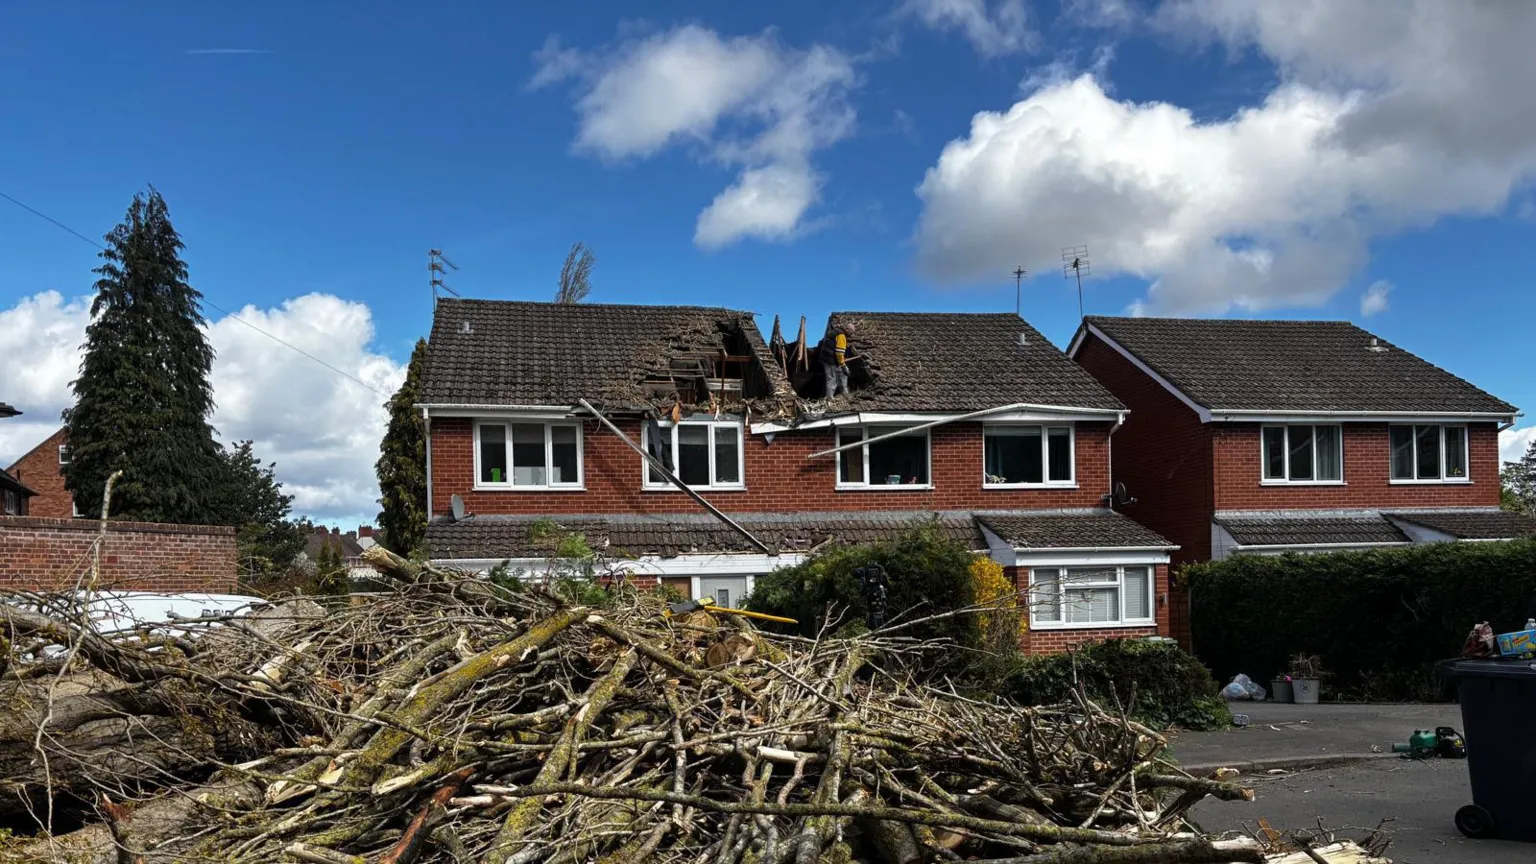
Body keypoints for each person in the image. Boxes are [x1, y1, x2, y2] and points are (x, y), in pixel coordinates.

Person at [820, 321, 855, 398]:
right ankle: (830, 398)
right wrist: (843, 365)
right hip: (830, 360)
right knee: (832, 379)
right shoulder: (841, 335)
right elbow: (839, 353)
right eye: (851, 333)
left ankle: (845, 393)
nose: (851, 335)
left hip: (828, 358)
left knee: (841, 374)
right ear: (847, 329)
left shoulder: (836, 331)